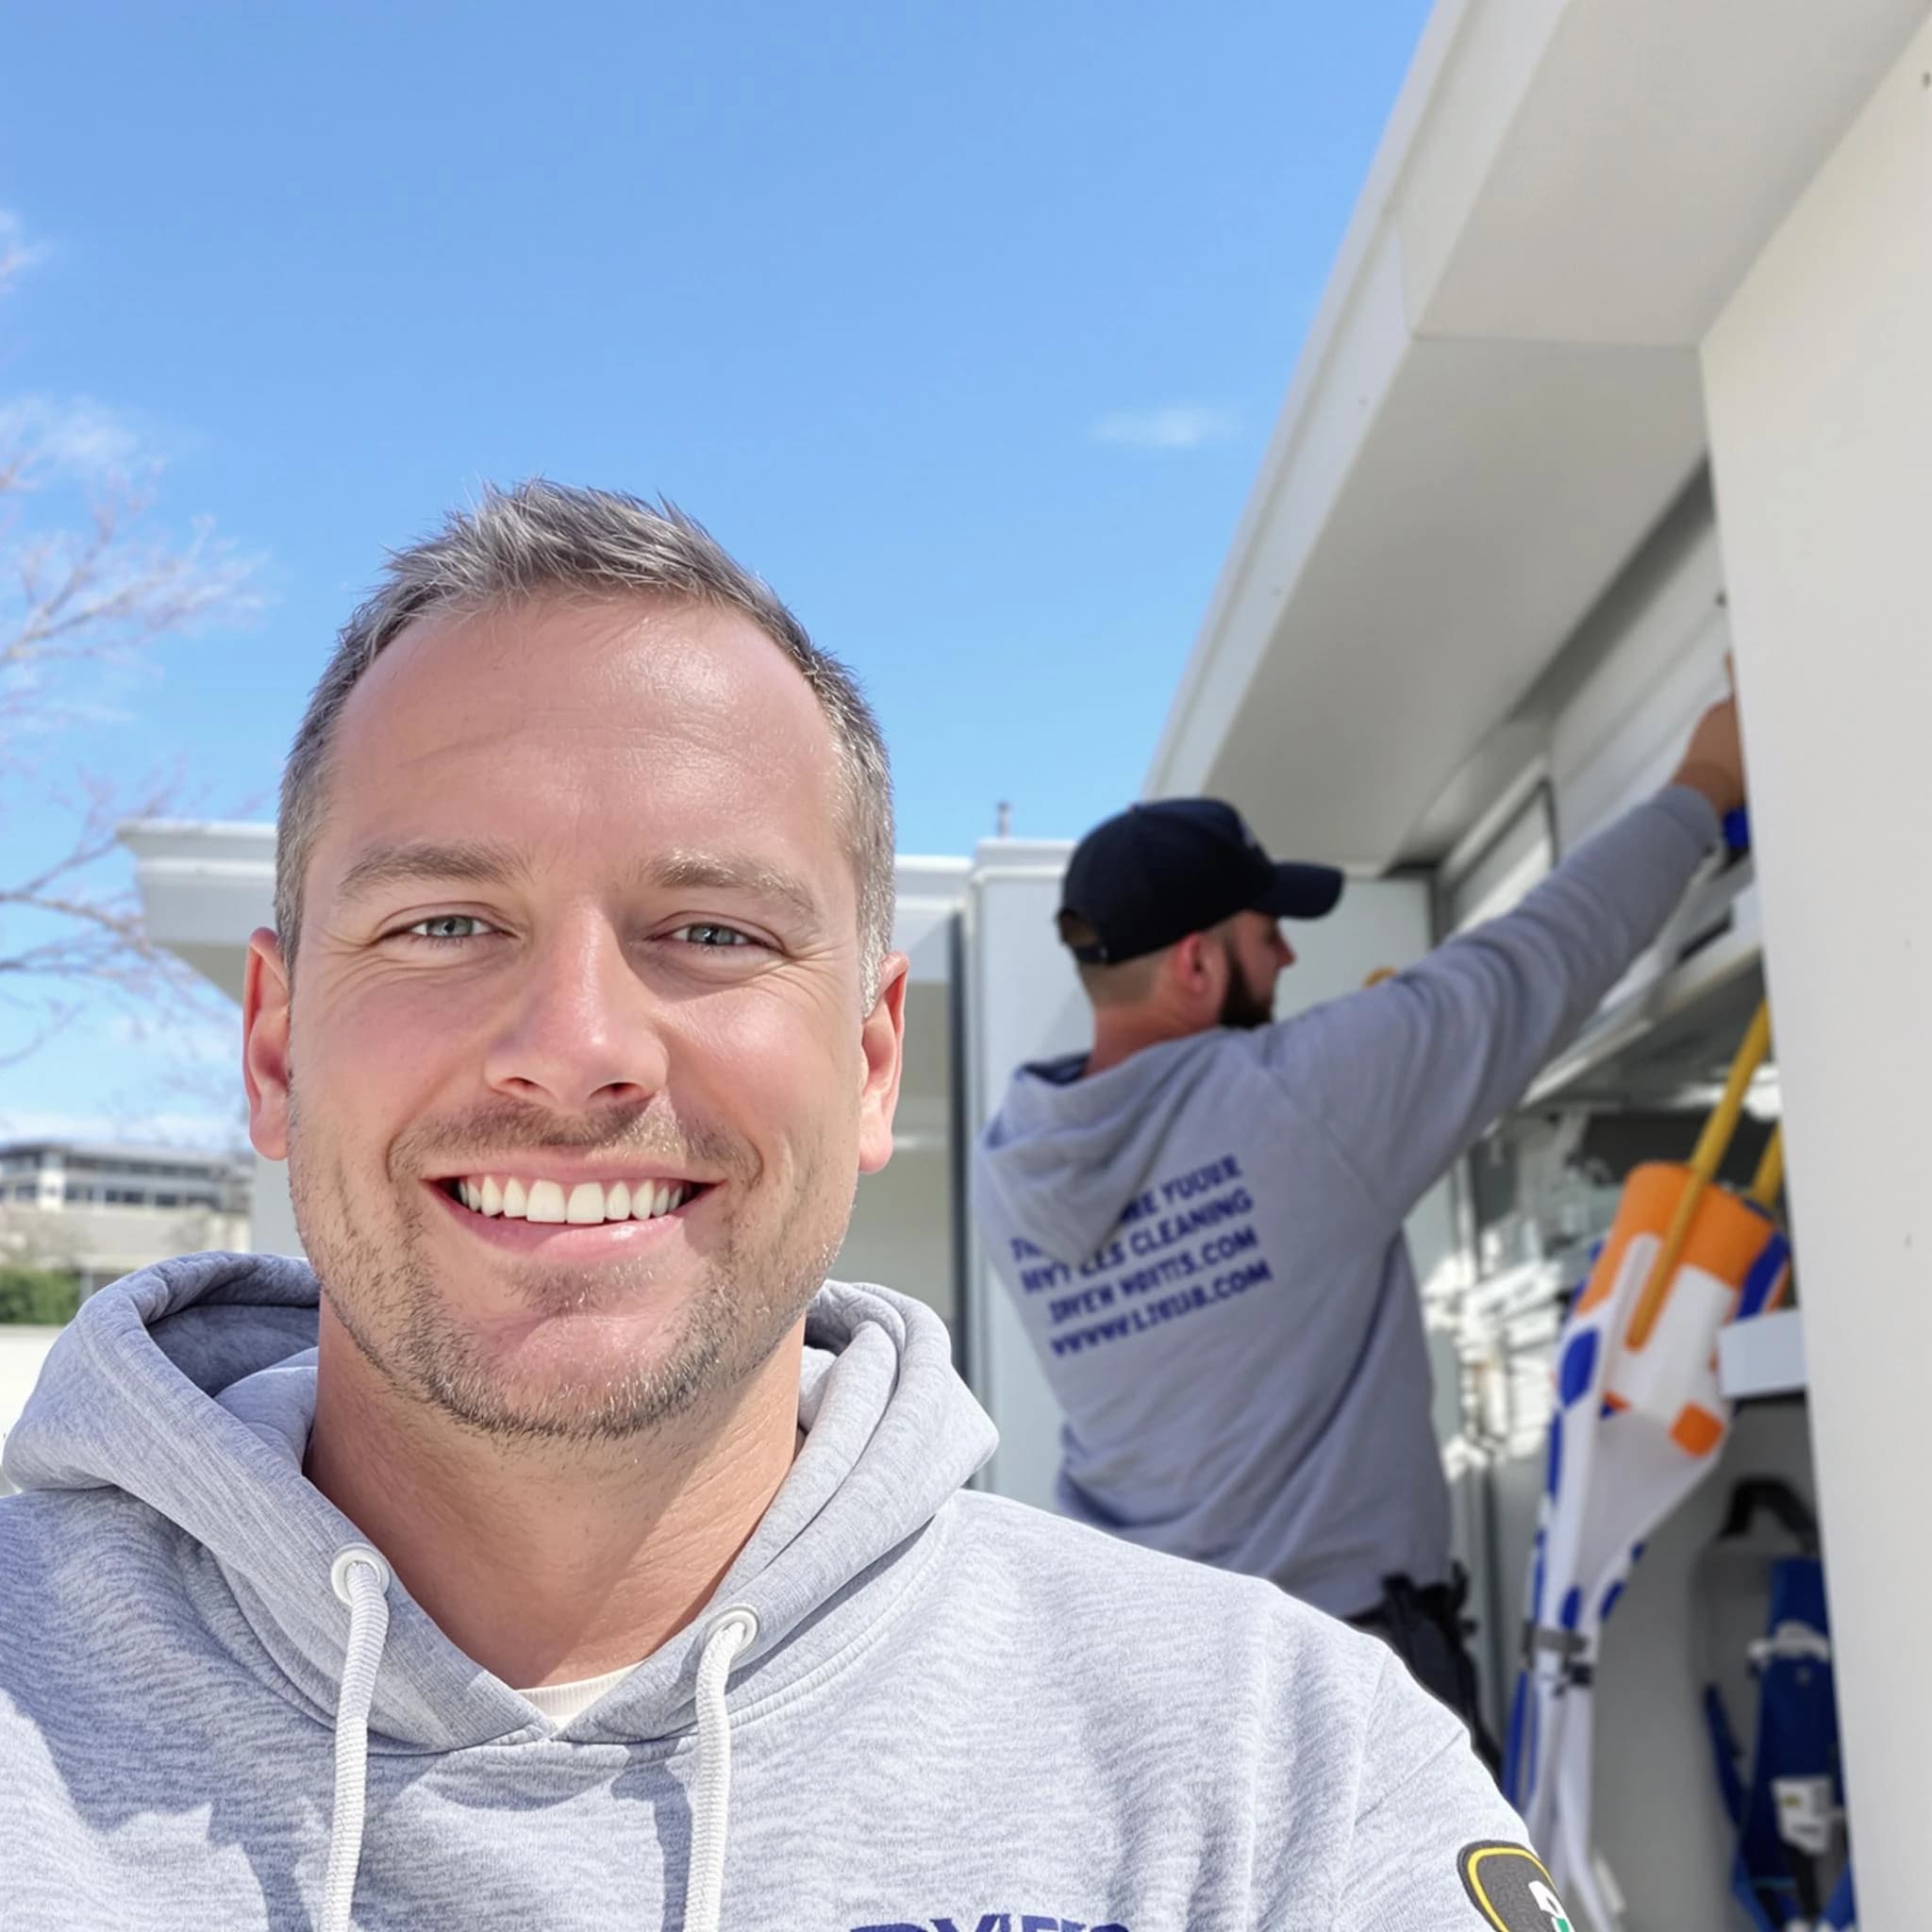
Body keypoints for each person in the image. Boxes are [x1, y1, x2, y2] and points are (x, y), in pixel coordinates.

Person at [0, 482, 1565, 1931]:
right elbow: (1514, 982)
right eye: (447, 919)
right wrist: (1699, 790)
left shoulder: (1276, 1767)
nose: (578, 1049)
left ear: (871, 1059)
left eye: (708, 928)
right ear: (275, 1043)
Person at [974, 698, 1747, 1754]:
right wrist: (1700, 784)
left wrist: (1368, 1095)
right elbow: (1540, 957)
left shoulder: (1011, 1164)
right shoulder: (1303, 1100)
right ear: (1195, 965)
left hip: (1139, 1687)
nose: (1288, 957)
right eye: (1265, 933)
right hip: (1340, 1687)